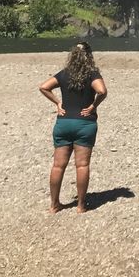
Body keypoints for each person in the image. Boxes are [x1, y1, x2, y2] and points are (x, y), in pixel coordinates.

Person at [38, 42, 107, 214]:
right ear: (90, 56)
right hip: (85, 123)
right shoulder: (92, 74)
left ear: (73, 55)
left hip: (63, 122)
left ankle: (54, 205)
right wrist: (92, 106)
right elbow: (102, 91)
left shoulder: (64, 74)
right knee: (82, 165)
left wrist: (58, 103)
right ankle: (81, 206)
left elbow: (43, 87)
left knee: (58, 166)